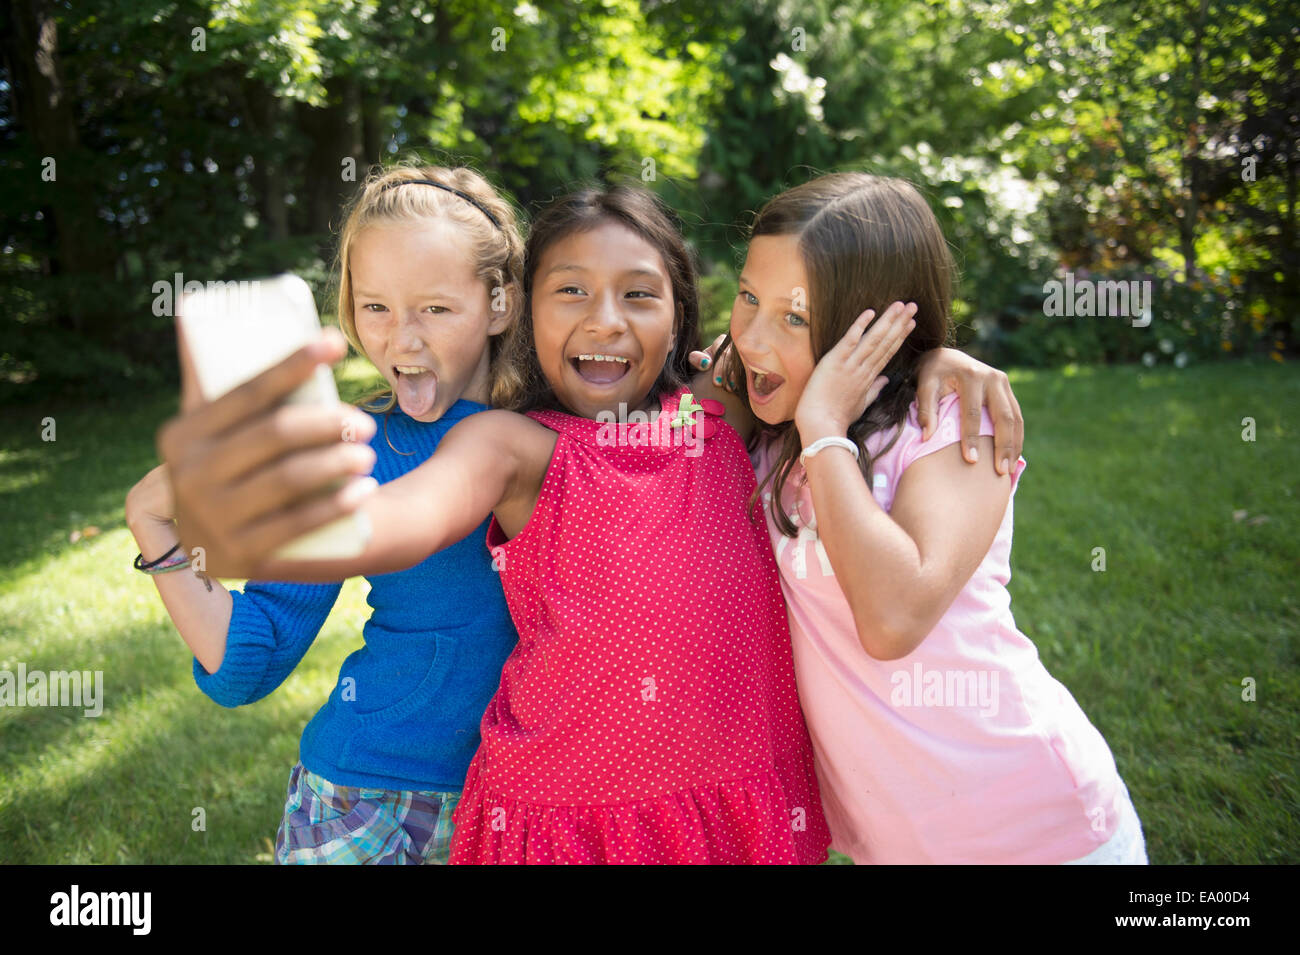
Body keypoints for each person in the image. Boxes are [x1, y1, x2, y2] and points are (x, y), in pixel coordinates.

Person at [156, 182, 1023, 864]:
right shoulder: (511, 447)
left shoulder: (725, 411)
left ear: (683, 317)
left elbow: (807, 351)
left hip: (731, 813)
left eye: (637, 294)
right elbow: (396, 521)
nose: (604, 319)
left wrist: (936, 356)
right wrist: (278, 503)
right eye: (570, 290)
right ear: (528, 313)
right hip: (561, 826)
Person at [722, 172, 1146, 863]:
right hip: (894, 845)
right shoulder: (766, 415)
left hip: (1033, 831)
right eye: (747, 297)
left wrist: (826, 426)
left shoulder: (950, 423)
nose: (753, 339)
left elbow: (894, 619)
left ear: (880, 326)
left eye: (795, 316)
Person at [125, 165, 523, 864]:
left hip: (523, 800)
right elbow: (252, 657)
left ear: (499, 303)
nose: (402, 340)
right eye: (376, 308)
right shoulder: (351, 450)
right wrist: (154, 526)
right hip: (367, 799)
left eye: (435, 308)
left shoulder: (557, 428)